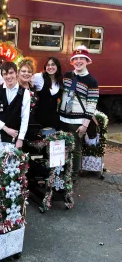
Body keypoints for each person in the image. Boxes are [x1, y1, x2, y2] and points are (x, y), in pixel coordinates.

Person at [59, 45, 99, 183]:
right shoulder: (67, 76)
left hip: (77, 122)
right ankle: (62, 171)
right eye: (76, 59)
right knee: (62, 148)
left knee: (75, 149)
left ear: (87, 61)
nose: (79, 61)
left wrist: (85, 124)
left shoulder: (92, 81)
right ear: (72, 61)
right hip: (62, 118)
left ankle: (73, 176)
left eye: (82, 58)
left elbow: (91, 105)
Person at [0, 61, 31, 148]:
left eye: (11, 73)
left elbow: (25, 117)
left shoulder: (25, 93)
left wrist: (20, 139)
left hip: (14, 136)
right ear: (2, 76)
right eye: (5, 74)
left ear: (16, 73)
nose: (8, 76)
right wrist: (6, 129)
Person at [33, 57, 63, 129]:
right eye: (48, 65)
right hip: (38, 119)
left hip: (53, 120)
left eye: (53, 65)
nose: (50, 67)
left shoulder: (60, 81)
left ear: (57, 67)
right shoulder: (39, 77)